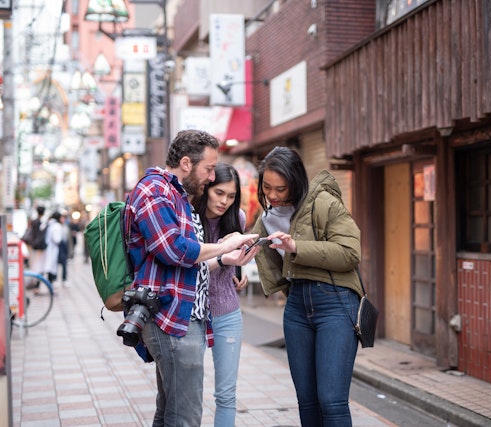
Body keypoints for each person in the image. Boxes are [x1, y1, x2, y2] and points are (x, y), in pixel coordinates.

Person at [124, 129, 260, 426]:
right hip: (170, 318)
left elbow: (187, 266)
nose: (212, 177)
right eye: (209, 169)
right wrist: (224, 245)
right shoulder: (154, 191)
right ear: (186, 163)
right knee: (185, 416)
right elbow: (172, 249)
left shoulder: (177, 195)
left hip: (182, 317)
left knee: (170, 411)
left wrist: (225, 259)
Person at [251, 146, 363, 427]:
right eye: (267, 187)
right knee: (307, 401)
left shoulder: (324, 203)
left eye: (281, 188)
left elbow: (350, 252)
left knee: (331, 401)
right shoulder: (266, 217)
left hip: (335, 302)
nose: (273, 195)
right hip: (297, 305)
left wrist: (297, 246)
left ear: (297, 182)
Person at [191, 163, 249, 427]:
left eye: (232, 196)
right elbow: (191, 268)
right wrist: (225, 259)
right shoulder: (190, 217)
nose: (225, 201)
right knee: (188, 394)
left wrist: (239, 271)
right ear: (206, 189)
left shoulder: (238, 219)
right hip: (192, 315)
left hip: (227, 312)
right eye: (219, 193)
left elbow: (234, 262)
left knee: (226, 394)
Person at [43, 211, 63, 289]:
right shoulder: (56, 226)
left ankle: (49, 285)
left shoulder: (49, 224)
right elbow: (57, 239)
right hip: (52, 249)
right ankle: (50, 286)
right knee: (51, 268)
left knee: (48, 267)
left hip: (47, 248)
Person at [57, 213, 70, 287]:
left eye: (64, 218)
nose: (63, 219)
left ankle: (64, 279)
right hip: (58, 246)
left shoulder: (66, 227)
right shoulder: (57, 226)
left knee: (64, 264)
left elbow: (69, 239)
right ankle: (55, 279)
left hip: (64, 247)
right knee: (56, 264)